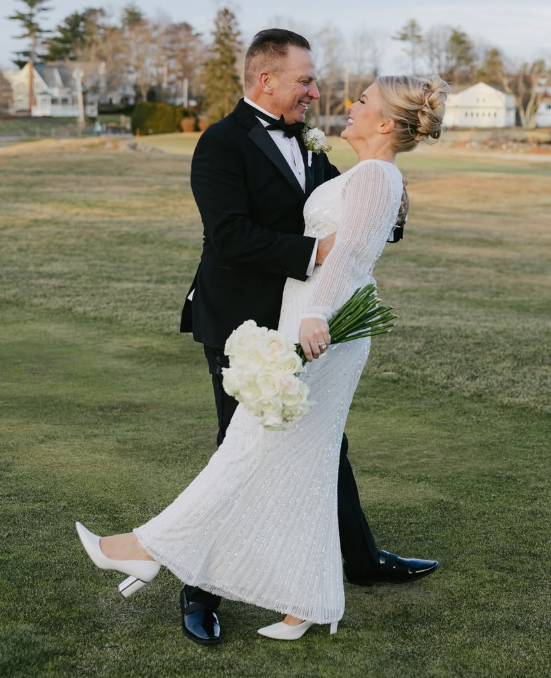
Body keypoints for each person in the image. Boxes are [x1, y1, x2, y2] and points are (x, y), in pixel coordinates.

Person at [76, 30, 448, 642]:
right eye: (305, 80)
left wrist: (392, 209)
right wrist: (315, 252)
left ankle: (350, 565)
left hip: (308, 322)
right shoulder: (221, 144)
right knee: (241, 448)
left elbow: (356, 216)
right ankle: (201, 590)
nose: (316, 92)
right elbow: (230, 236)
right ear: (265, 80)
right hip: (241, 320)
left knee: (317, 448)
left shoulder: (312, 142)